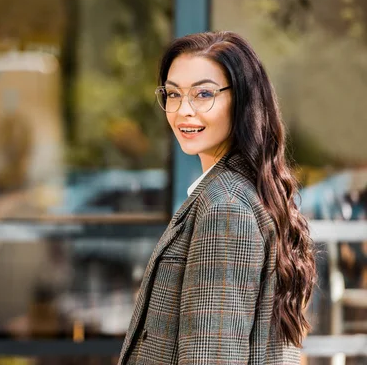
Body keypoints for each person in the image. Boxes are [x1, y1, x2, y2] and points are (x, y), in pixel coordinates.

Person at [118, 31, 316, 364]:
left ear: (241, 100)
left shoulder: (225, 208)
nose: (184, 111)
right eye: (173, 94)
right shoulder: (237, 192)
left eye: (203, 94)